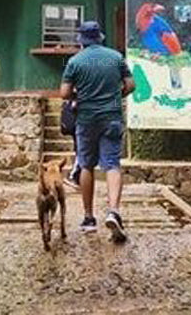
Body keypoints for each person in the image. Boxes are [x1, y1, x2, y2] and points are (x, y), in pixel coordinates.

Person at [59, 21, 134, 243]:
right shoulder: (116, 57)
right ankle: (113, 211)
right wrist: (114, 96)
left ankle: (89, 218)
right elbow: (130, 85)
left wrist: (78, 96)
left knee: (86, 165)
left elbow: (64, 93)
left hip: (86, 119)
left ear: (81, 40)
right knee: (112, 164)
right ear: (100, 37)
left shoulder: (75, 61)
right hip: (111, 117)